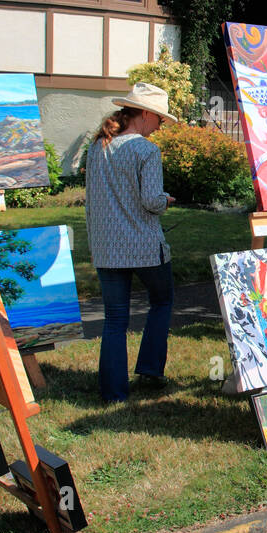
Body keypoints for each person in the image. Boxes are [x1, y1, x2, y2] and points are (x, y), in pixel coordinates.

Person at [85, 82, 178, 403]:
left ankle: (113, 393)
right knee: (162, 301)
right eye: (160, 119)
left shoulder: (98, 147)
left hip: (107, 247)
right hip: (143, 245)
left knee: (114, 320)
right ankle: (151, 368)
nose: (161, 125)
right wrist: (166, 200)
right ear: (146, 114)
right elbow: (151, 200)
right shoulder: (145, 150)